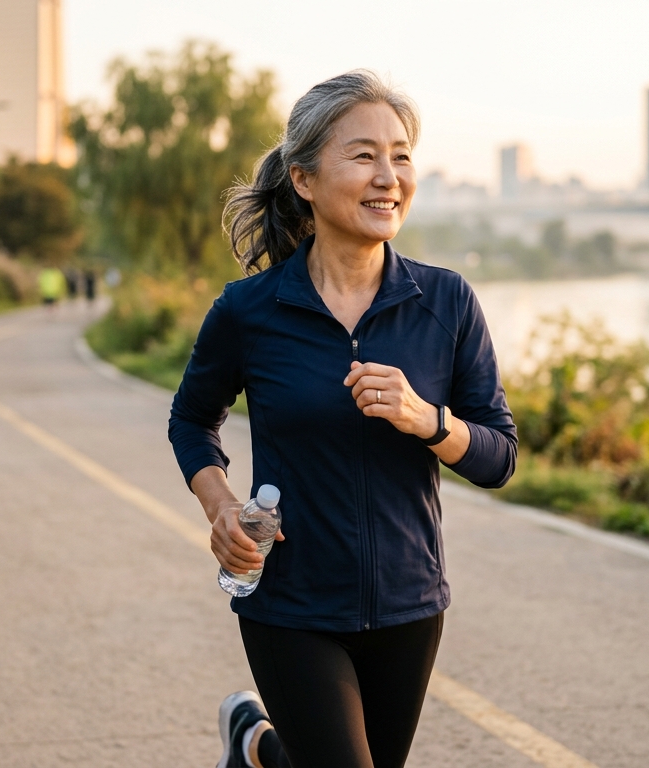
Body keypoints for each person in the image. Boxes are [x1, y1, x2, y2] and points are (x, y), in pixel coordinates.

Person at [169, 71, 516, 768]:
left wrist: (429, 420)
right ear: (303, 179)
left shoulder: (446, 302)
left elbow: (498, 457)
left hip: (410, 605)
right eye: (363, 156)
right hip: (290, 603)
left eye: (401, 156)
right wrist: (221, 507)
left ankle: (255, 746)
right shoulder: (248, 311)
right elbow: (192, 419)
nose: (389, 177)